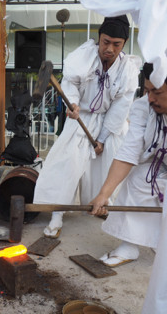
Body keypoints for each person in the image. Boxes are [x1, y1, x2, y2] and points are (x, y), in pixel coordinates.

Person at [33, 15, 141, 238]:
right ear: (99, 38)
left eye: (116, 44)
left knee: (109, 164)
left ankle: (100, 205)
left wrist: (101, 138)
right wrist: (71, 103)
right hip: (79, 117)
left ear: (124, 44)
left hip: (110, 124)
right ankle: (57, 215)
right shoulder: (84, 57)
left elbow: (120, 108)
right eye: (105, 41)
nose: (109, 49)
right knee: (68, 164)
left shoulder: (128, 70)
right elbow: (70, 83)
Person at [89, 62, 166, 268]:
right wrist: (104, 194)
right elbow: (129, 152)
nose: (150, 98)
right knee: (138, 178)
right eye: (147, 90)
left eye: (157, 92)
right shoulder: (143, 107)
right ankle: (130, 245)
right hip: (157, 164)